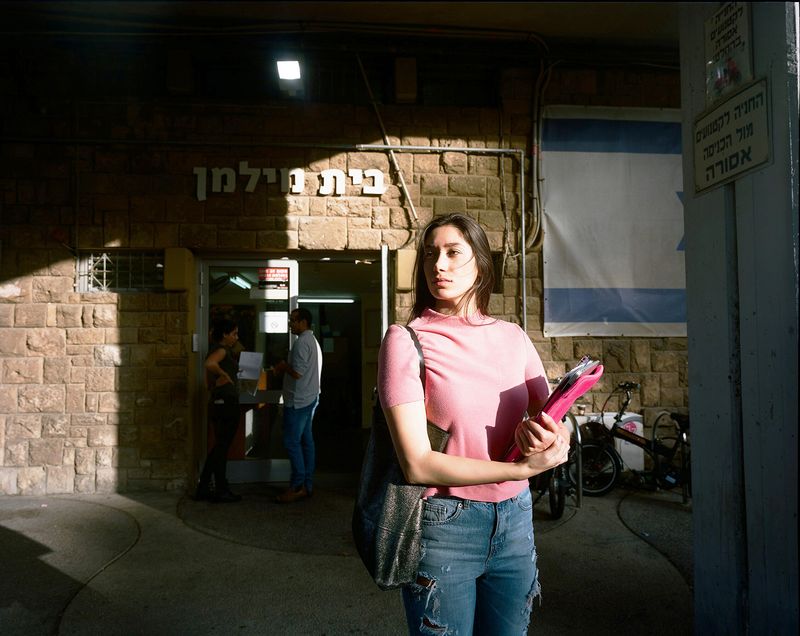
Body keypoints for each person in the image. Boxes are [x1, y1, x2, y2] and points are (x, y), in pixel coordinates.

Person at [378, 213, 571, 635]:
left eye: (453, 253)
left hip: (516, 520)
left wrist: (558, 440)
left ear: (480, 265)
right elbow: (417, 464)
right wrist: (520, 470)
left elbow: (556, 412)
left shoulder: (513, 336)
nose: (438, 265)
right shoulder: (406, 341)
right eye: (430, 254)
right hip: (445, 524)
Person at [274, 307, 323, 503]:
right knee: (306, 442)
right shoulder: (312, 341)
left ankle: (297, 485)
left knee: (291, 442)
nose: (290, 324)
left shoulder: (302, 342)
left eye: (293, 320)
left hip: (298, 402)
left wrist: (283, 366)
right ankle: (307, 485)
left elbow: (297, 373)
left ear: (303, 322)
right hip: (309, 398)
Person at [195, 319, 243, 503]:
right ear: (225, 334)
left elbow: (208, 381)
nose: (236, 337)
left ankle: (205, 487)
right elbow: (209, 364)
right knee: (221, 447)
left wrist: (220, 379)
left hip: (218, 402)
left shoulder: (219, 349)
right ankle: (220, 489)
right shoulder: (221, 350)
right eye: (234, 333)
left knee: (219, 447)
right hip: (226, 404)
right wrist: (224, 375)